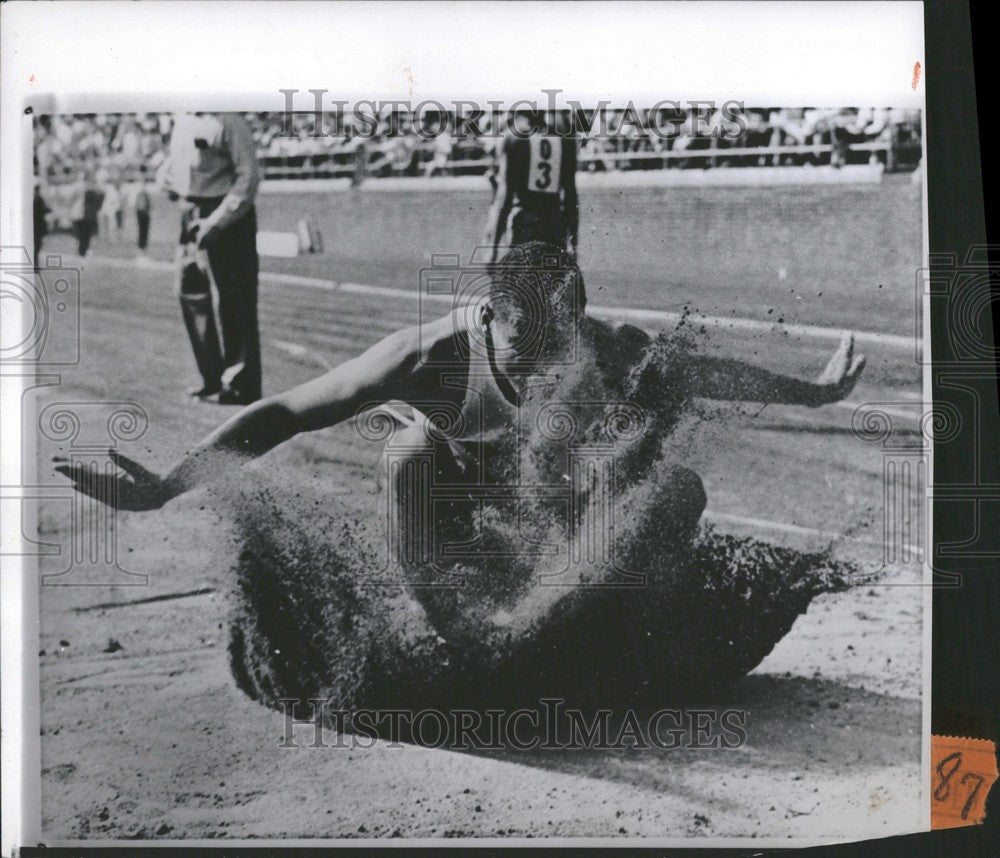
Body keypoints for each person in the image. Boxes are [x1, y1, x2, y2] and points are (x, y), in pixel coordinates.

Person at [56, 242, 864, 542]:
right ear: (488, 319)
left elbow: (702, 372)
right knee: (407, 453)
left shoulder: (597, 346)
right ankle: (442, 621)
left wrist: (817, 394)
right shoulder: (427, 360)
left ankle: (620, 620)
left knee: (678, 490)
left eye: (561, 343)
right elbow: (284, 413)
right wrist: (166, 488)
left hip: (544, 501)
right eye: (526, 346)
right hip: (447, 506)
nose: (547, 365)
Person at [161, 112, 261, 405]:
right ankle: (212, 378)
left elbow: (249, 175)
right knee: (190, 293)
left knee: (234, 299)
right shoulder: (183, 118)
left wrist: (218, 221)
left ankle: (240, 384)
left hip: (228, 216)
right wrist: (170, 183)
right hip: (192, 208)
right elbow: (177, 166)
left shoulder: (229, 120)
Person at [483, 112, 579, 263]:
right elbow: (571, 196)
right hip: (554, 225)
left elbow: (505, 196)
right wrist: (573, 244)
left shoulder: (514, 138)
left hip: (524, 224)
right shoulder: (564, 139)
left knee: (522, 284)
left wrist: (492, 247)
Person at [133, 171, 153, 261]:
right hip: (142, 213)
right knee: (142, 233)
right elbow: (140, 205)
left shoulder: (145, 193)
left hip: (144, 214)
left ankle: (142, 252)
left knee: (144, 233)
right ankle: (140, 252)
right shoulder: (139, 193)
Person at [33, 182, 49, 263]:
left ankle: (35, 263)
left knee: (35, 244)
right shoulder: (39, 198)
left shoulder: (32, 198)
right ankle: (35, 264)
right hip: (38, 225)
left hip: (34, 225)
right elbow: (44, 210)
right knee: (37, 245)